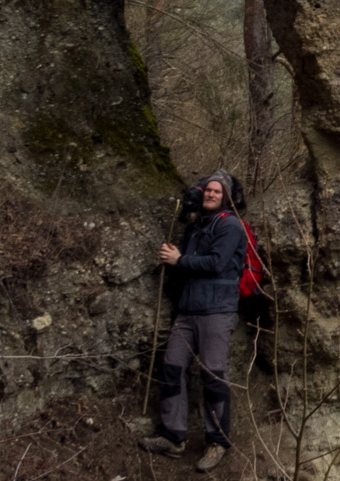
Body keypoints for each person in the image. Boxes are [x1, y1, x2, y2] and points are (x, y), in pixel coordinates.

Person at [139, 171, 245, 473]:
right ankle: (173, 437)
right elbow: (187, 265)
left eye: (216, 191)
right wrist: (173, 257)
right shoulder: (196, 226)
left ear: (225, 197)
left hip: (217, 311)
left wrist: (179, 260)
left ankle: (218, 441)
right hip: (187, 311)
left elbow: (216, 263)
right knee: (171, 368)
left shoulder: (230, 225)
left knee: (213, 376)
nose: (210, 194)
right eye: (207, 190)